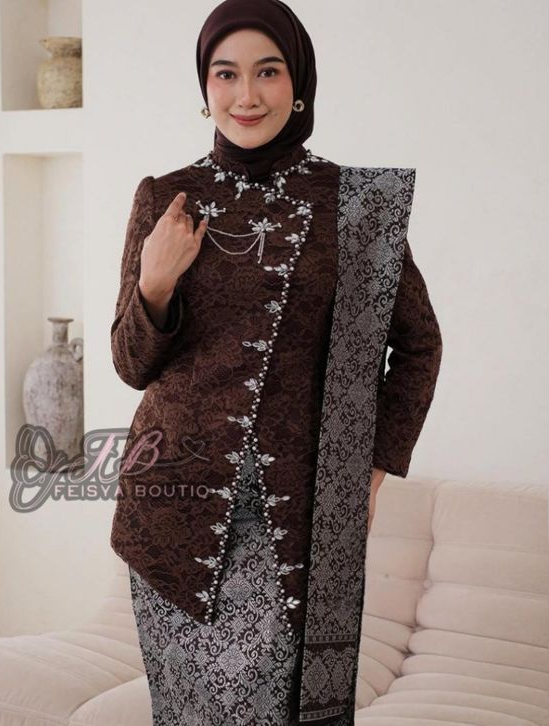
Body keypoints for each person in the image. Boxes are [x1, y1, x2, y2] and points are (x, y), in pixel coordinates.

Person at [109, 0, 443, 723]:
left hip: (293, 518)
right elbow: (131, 366)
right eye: (225, 74)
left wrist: (369, 471)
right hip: (171, 515)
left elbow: (419, 344)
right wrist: (155, 283)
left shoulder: (357, 207)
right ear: (205, 89)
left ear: (299, 86)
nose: (247, 94)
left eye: (268, 71)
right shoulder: (165, 198)